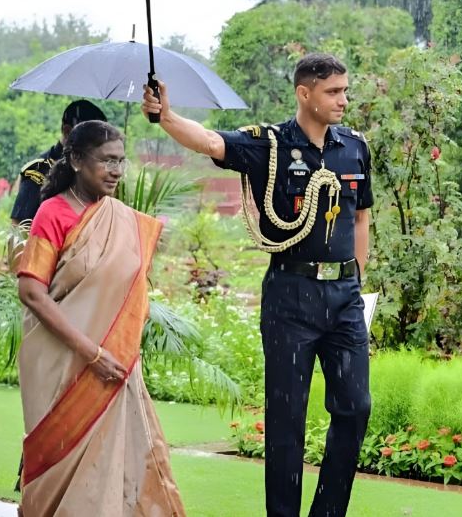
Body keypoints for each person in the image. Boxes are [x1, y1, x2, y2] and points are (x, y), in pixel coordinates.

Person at [142, 53, 372, 517]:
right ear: (304, 94)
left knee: (356, 408)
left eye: (345, 90)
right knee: (286, 421)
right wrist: (165, 115)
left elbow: (362, 216)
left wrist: (357, 283)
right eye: (333, 92)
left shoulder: (354, 147)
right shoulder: (268, 145)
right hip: (291, 298)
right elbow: (209, 140)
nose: (343, 100)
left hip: (344, 297)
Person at [16, 120, 185, 517]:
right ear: (75, 159)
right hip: (64, 364)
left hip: (118, 362)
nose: (115, 171)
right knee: (57, 459)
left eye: (121, 162)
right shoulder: (51, 214)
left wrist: (116, 346)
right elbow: (31, 292)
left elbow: (130, 291)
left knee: (121, 464)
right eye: (105, 161)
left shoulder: (123, 219)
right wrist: (92, 353)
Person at [10, 99, 107, 224]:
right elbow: (19, 228)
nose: (98, 147)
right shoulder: (39, 171)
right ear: (67, 131)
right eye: (92, 140)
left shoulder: (97, 171)